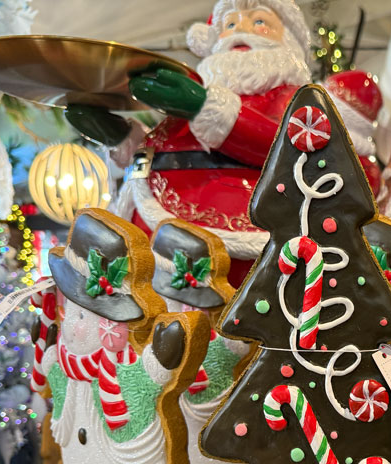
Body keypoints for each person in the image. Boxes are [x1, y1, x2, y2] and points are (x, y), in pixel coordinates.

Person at [67, 0, 311, 286]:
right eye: (229, 25)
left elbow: (288, 144)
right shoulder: (209, 91)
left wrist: (203, 107)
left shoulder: (293, 98)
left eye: (260, 22)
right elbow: (168, 144)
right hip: (154, 224)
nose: (240, 31)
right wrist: (119, 136)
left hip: (231, 232)